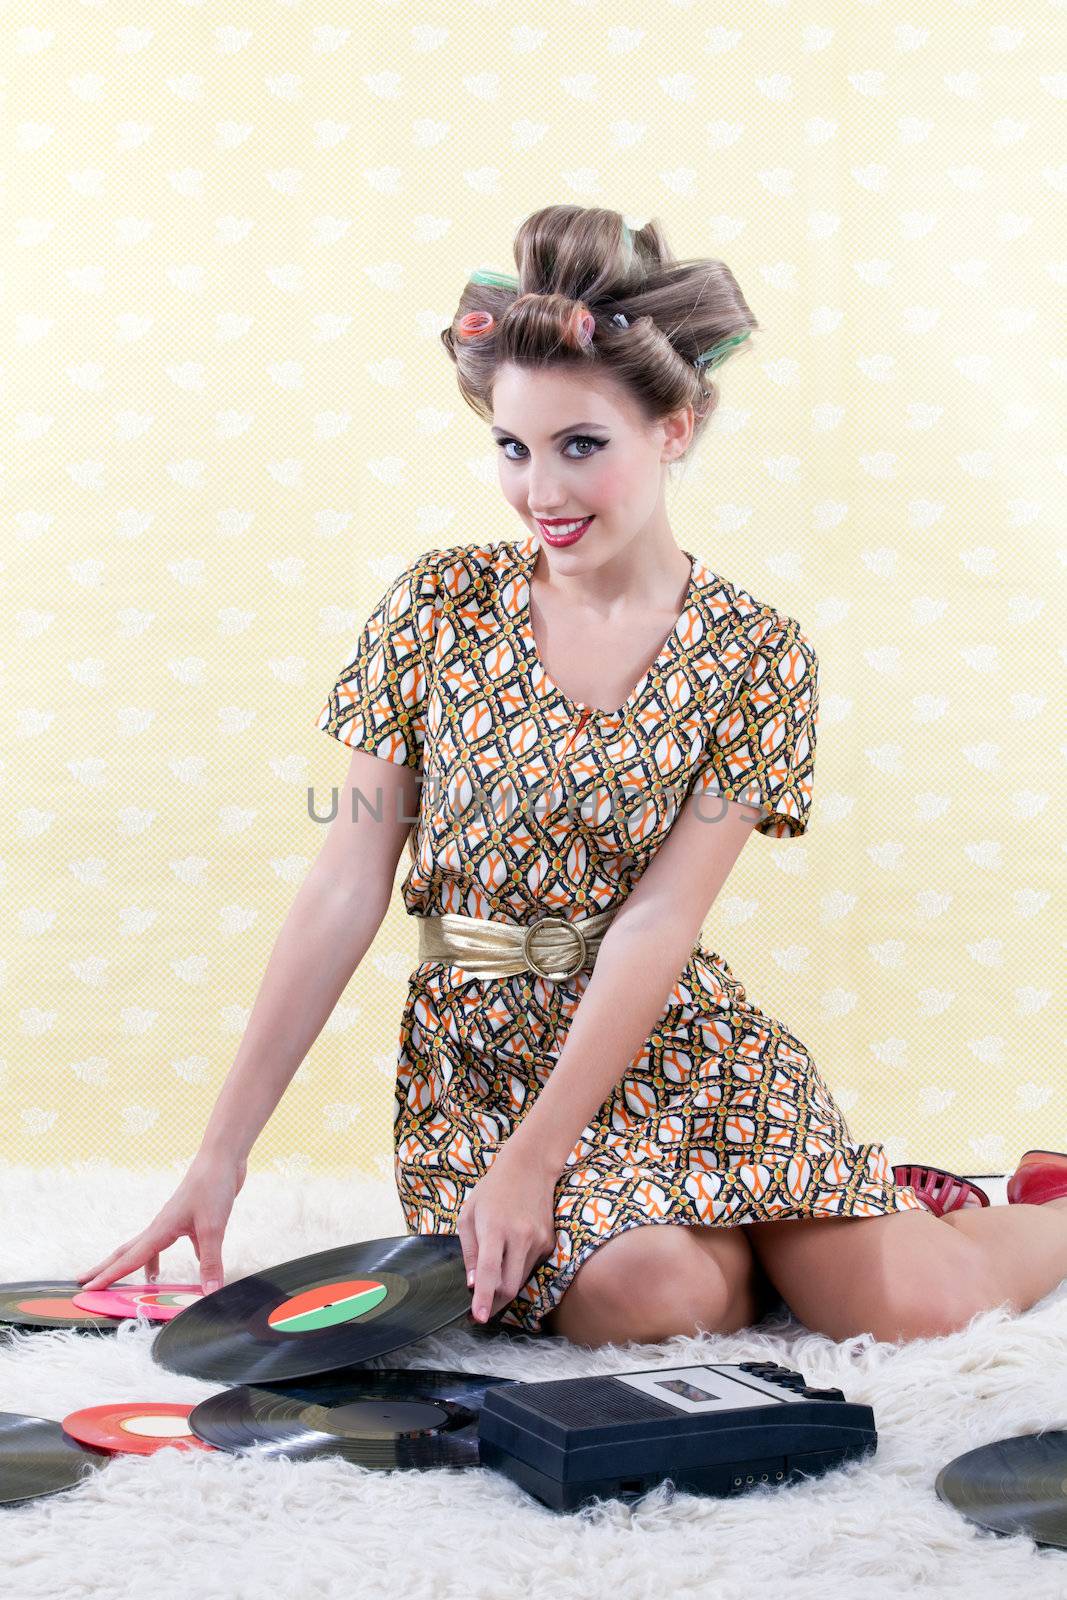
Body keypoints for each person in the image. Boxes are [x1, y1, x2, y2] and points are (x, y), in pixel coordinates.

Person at [78, 205, 1067, 1348]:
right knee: (650, 1298)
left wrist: (541, 1161)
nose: (539, 490)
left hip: (671, 1037)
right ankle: (784, 1230)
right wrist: (219, 1155)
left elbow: (658, 921)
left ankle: (1028, 1204)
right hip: (483, 1058)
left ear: (675, 429)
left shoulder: (756, 653)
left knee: (912, 1308)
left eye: (579, 445)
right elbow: (344, 886)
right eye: (512, 447)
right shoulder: (434, 608)